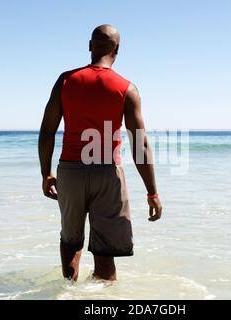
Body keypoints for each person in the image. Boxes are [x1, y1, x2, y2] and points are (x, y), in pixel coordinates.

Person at [38, 24, 162, 281]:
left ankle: (68, 294)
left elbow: (47, 131)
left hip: (70, 171)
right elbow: (140, 144)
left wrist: (46, 173)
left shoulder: (65, 81)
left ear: (90, 45)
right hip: (107, 173)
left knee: (71, 242)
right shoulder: (126, 89)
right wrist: (152, 192)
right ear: (117, 49)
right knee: (105, 253)